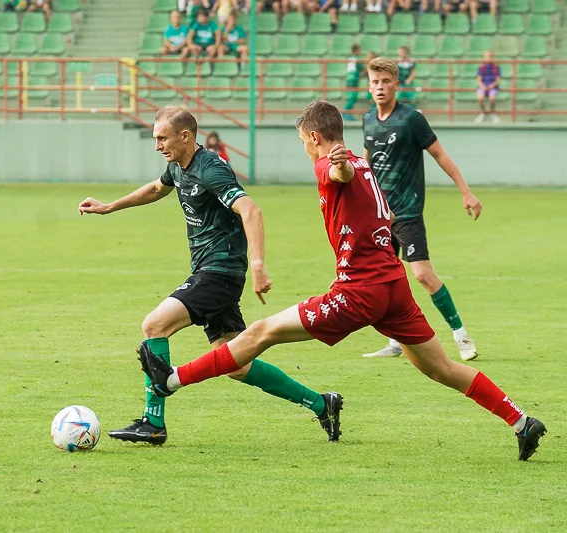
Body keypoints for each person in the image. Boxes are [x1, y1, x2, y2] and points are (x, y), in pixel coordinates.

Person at [139, 100, 547, 462]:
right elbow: (350, 171)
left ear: (314, 136)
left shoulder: (331, 164)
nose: (304, 149)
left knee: (260, 333)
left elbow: (340, 174)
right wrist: (343, 163)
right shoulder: (364, 162)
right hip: (394, 287)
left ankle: (171, 379)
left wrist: (336, 165)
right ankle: (520, 420)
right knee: (441, 368)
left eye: (302, 141)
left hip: (359, 291)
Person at [78, 106, 343, 445]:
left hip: (220, 271)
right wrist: (109, 206)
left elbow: (251, 210)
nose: (157, 145)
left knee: (155, 325)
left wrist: (259, 264)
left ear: (185, 136)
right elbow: (158, 188)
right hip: (211, 271)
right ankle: (322, 403)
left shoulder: (211, 169)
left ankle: (153, 422)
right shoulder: (178, 166)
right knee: (237, 363)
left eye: (162, 138)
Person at [362, 57, 481, 361]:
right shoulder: (368, 120)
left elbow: (441, 156)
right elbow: (366, 164)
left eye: (385, 81)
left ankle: (461, 335)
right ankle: (394, 341)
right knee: (382, 279)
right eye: (375, 81)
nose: (380, 87)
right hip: (379, 217)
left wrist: (465, 191)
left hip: (408, 212)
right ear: (368, 85)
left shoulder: (412, 119)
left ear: (396, 85)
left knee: (423, 276)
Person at [475, 51, 501, 124]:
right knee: (480, 97)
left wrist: (492, 85)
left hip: (493, 87)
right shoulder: (481, 67)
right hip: (482, 86)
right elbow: (478, 79)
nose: (487, 58)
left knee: (492, 98)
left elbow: (498, 80)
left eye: (489, 56)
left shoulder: (496, 68)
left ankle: (492, 113)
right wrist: (482, 86)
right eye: (486, 56)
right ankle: (482, 113)